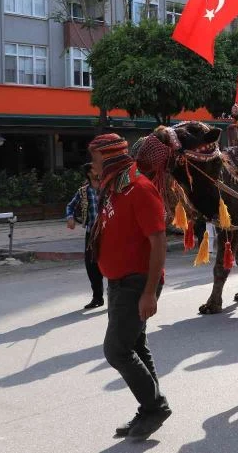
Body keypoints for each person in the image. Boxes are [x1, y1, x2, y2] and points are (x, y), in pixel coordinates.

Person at [88, 133, 171, 440]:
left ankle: (155, 406)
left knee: (116, 350)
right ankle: (149, 408)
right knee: (135, 346)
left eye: (95, 159)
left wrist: (149, 292)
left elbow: (159, 240)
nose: (92, 165)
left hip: (137, 282)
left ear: (108, 159)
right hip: (119, 282)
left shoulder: (139, 189)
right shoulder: (115, 187)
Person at [66, 163, 104, 309]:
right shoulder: (83, 192)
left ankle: (114, 292)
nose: (98, 170)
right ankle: (97, 297)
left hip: (108, 231)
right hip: (91, 233)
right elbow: (70, 206)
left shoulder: (107, 187)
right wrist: (70, 218)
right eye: (95, 168)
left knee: (111, 261)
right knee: (91, 265)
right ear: (89, 173)